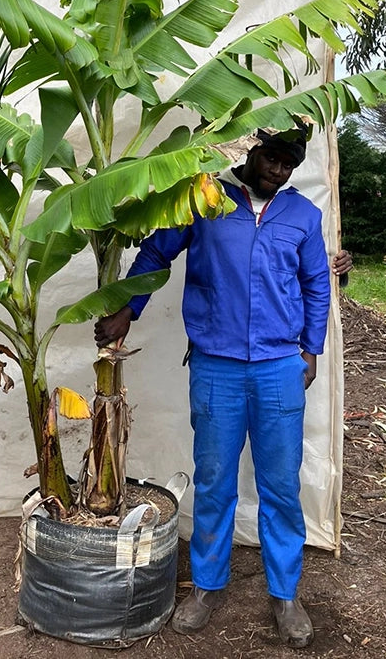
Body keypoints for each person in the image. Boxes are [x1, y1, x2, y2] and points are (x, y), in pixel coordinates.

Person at [94, 128, 350, 649]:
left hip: (280, 366)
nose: (279, 170)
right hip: (216, 366)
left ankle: (285, 594)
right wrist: (128, 309)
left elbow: (316, 282)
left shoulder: (302, 215)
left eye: (289, 163)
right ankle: (207, 586)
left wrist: (311, 350)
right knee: (214, 479)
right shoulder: (208, 198)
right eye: (272, 158)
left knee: (281, 484)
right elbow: (156, 253)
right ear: (251, 152)